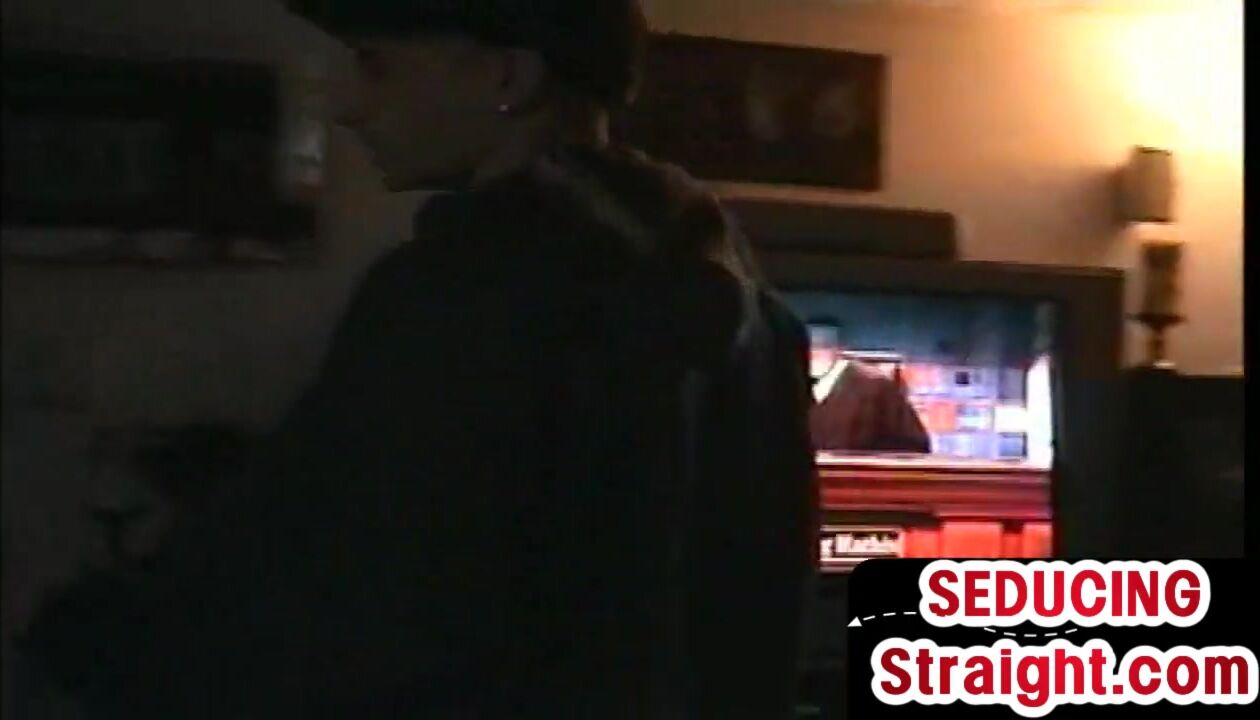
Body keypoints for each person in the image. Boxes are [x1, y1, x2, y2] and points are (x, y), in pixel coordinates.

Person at [18, 2, 819, 718]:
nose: (347, 104)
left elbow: (358, 614)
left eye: (376, 64)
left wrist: (93, 637)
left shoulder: (467, 287)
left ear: (508, 77)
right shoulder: (738, 295)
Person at [806, 317, 930, 454]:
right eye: (808, 348)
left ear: (840, 348)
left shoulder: (877, 387)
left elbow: (913, 446)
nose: (813, 354)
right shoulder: (793, 386)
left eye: (822, 347)